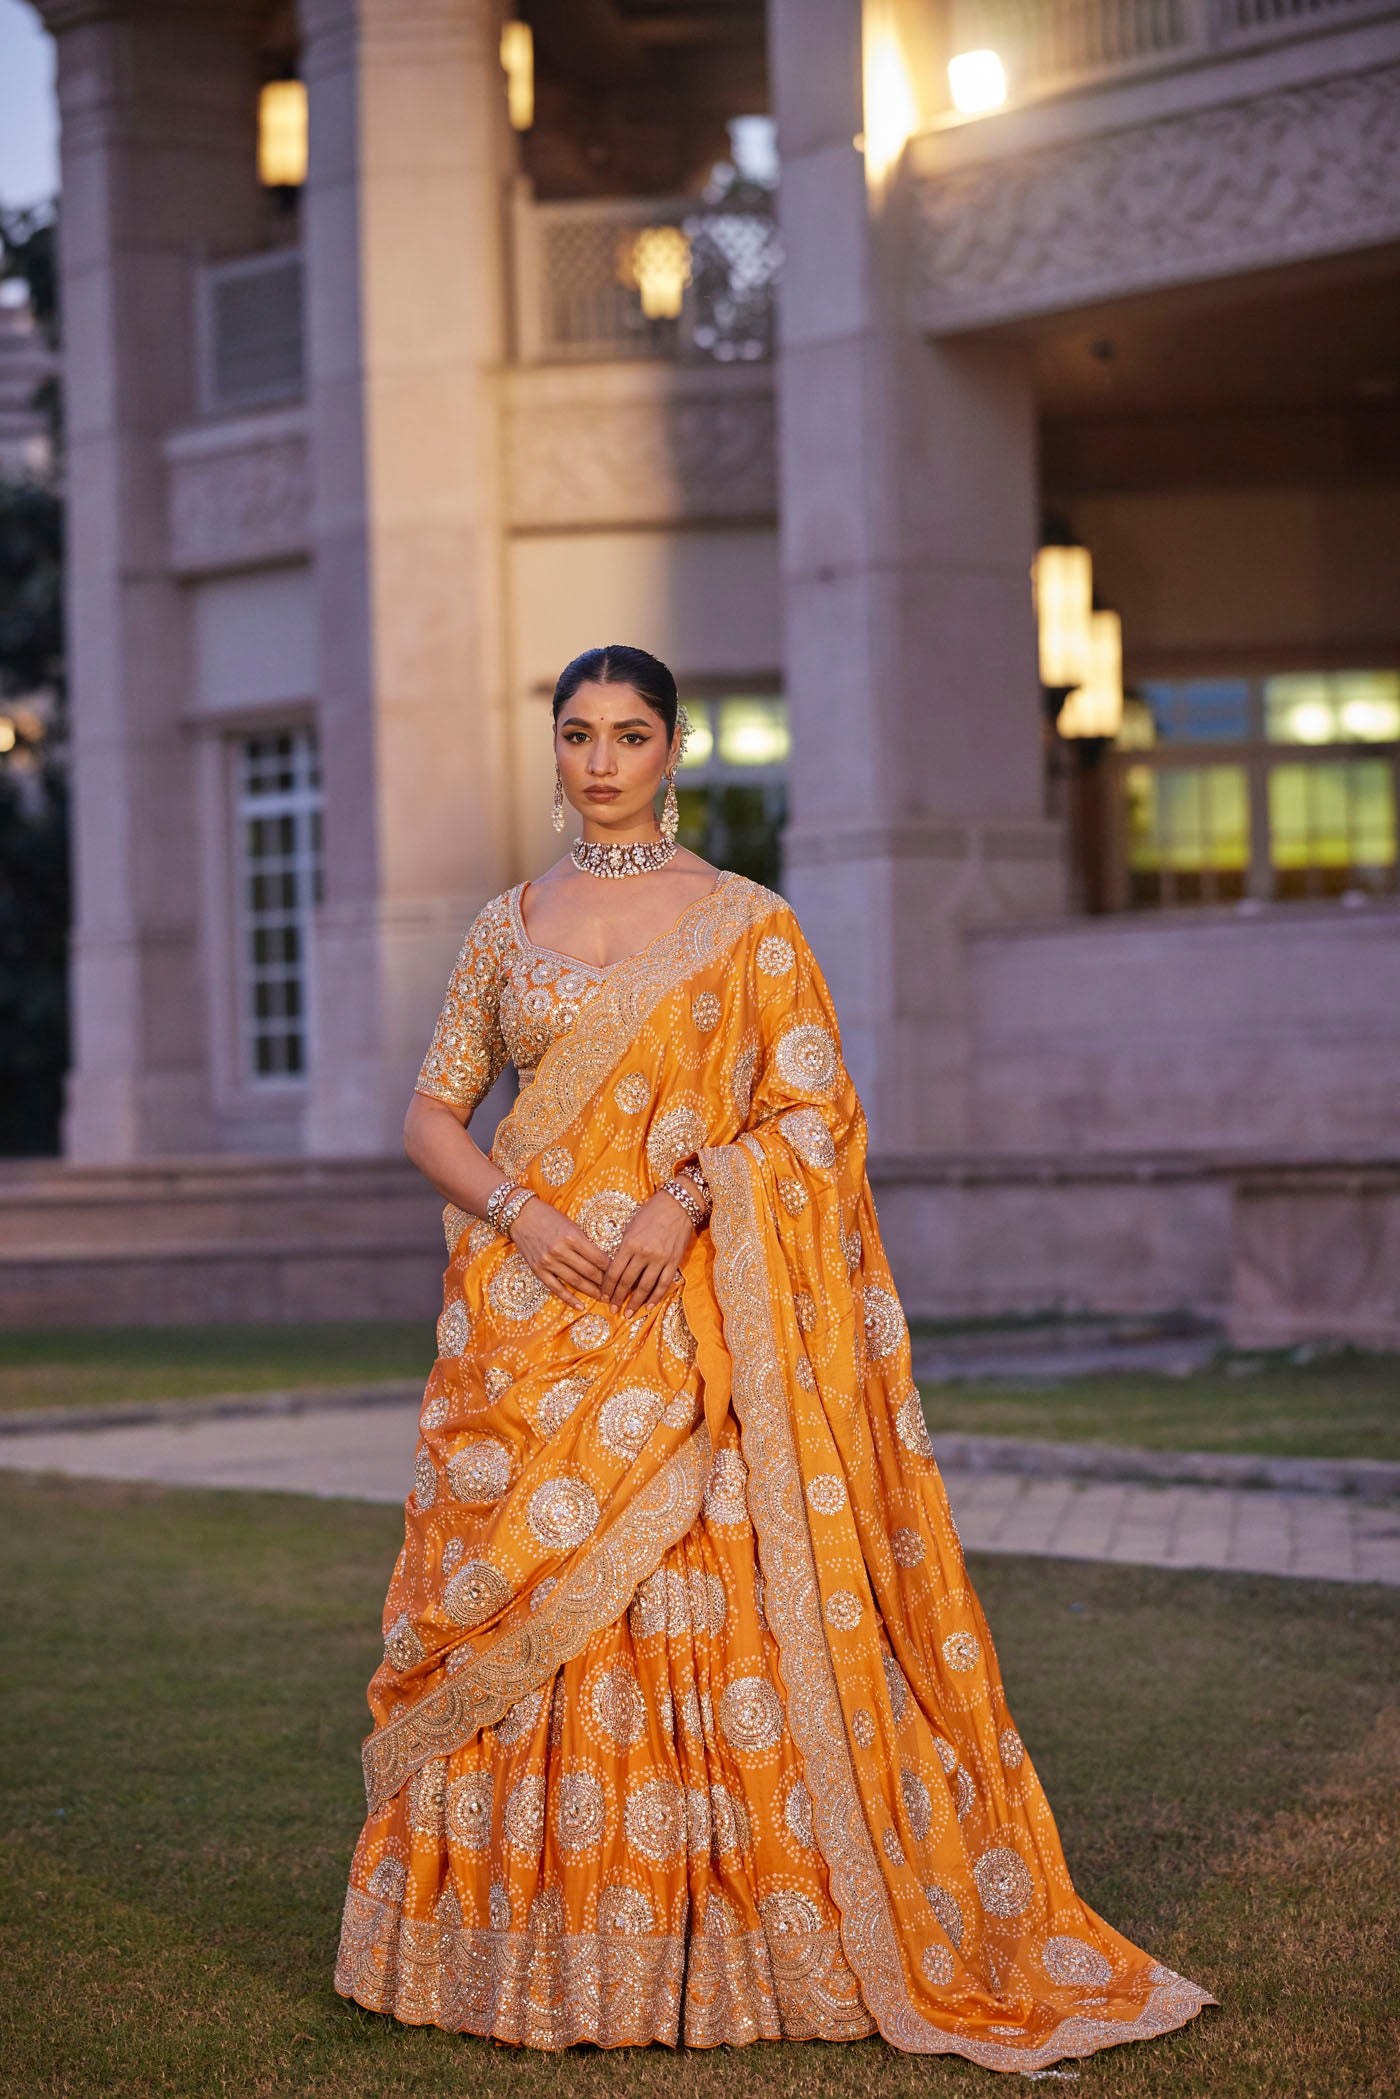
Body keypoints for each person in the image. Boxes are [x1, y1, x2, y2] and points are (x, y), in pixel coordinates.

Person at [334, 645, 1215, 2069]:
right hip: (531, 1318)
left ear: (675, 748)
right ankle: (521, 1948)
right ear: (553, 750)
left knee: (709, 1605)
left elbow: (814, 1122)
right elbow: (433, 1117)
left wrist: (690, 1197)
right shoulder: (505, 927)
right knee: (522, 1614)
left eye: (630, 734)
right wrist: (527, 1217)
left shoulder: (748, 926)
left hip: (694, 1328)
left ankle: (742, 1949)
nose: (602, 761)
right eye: (577, 734)